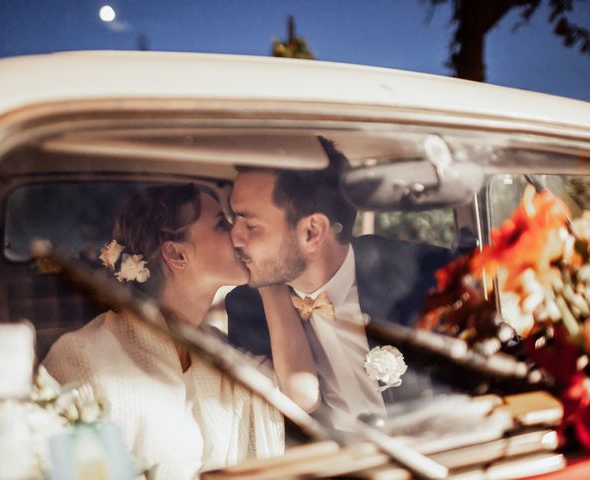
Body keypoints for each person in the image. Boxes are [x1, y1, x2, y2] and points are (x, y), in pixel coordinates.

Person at [43, 184, 318, 480]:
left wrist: (270, 281)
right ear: (176, 254)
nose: (239, 235)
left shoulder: (217, 351)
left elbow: (298, 395)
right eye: (222, 224)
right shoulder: (85, 358)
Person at [226, 137, 454, 427]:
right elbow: (272, 425)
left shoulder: (423, 276)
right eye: (234, 220)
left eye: (251, 225)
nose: (235, 238)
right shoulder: (246, 308)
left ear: (312, 232)